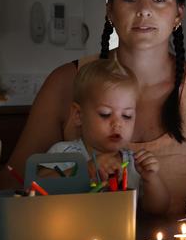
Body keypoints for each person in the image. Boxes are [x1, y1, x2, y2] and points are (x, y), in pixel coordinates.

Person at [0, 0, 186, 215]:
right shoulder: (65, 82)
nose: (144, 10)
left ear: (179, 15)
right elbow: (16, 183)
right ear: (110, 10)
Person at [40, 58, 169, 213]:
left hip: (123, 234)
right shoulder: (65, 152)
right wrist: (85, 169)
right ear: (79, 115)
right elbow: (38, 187)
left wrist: (151, 179)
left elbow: (158, 210)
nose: (117, 124)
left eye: (127, 116)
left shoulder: (133, 163)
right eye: (105, 114)